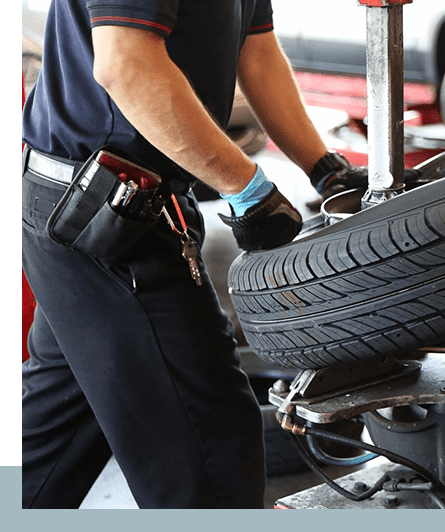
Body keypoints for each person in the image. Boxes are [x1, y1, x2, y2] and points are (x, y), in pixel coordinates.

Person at [21, 0, 367, 509]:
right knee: (209, 449)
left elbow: (255, 49)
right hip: (103, 208)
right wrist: (246, 186)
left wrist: (324, 167)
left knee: (59, 425)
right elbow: (124, 64)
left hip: (117, 196)